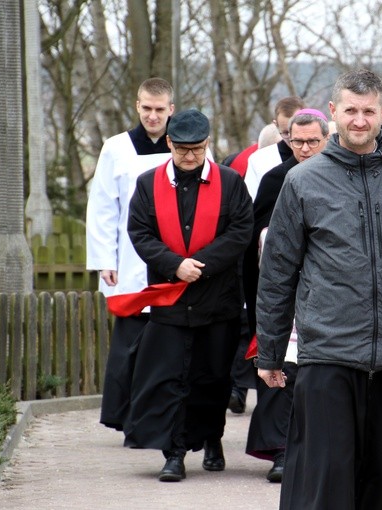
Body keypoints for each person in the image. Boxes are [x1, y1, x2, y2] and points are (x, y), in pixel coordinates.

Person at [256, 69, 382, 509]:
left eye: (369, 111)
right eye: (351, 110)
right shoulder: (303, 181)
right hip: (328, 355)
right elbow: (277, 274)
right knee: (325, 483)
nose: (360, 120)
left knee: (381, 483)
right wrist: (270, 352)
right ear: (334, 113)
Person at [123, 109, 253, 480]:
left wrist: (203, 263)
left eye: (197, 149)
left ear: (208, 143)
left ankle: (212, 437)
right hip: (170, 299)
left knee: (211, 378)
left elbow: (241, 230)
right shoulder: (149, 184)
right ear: (169, 144)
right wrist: (174, 264)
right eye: (182, 150)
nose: (190, 157)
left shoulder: (230, 182)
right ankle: (174, 453)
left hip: (218, 299)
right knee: (171, 378)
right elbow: (140, 232)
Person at [245, 108, 330, 483]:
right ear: (287, 141)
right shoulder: (275, 179)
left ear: (327, 140)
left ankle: (316, 447)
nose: (306, 148)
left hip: (326, 291)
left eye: (313, 141)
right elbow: (256, 236)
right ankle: (280, 450)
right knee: (279, 369)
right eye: (298, 141)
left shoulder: (338, 176)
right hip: (284, 290)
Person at [86, 77, 175, 432]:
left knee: (166, 344)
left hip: (174, 261)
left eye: (159, 110)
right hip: (130, 262)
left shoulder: (186, 143)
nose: (153, 117)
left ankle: (158, 414)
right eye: (147, 109)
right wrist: (105, 258)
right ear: (138, 106)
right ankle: (121, 413)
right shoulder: (116, 148)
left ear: (170, 108)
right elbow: (103, 206)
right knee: (129, 341)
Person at [230, 96, 306, 415]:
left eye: (304, 138)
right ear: (277, 128)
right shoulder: (264, 165)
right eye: (289, 135)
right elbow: (252, 213)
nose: (296, 144)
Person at [243, 96, 305, 199]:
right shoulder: (259, 160)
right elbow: (251, 202)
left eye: (296, 130)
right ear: (276, 125)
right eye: (286, 133)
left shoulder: (321, 154)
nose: (292, 138)